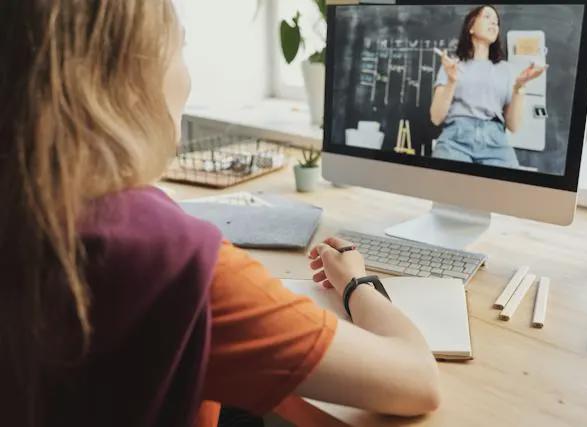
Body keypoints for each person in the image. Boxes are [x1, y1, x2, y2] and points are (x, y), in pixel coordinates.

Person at [0, 1, 440, 426]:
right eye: (180, 50)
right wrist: (356, 281)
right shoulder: (172, 260)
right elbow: (416, 380)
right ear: (129, 76)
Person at [430, 4, 547, 167]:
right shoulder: (452, 65)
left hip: (496, 143)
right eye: (487, 17)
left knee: (510, 189)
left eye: (496, 21)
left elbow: (513, 126)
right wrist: (451, 80)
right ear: (471, 26)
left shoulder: (506, 69)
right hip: (455, 139)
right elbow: (436, 117)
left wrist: (520, 86)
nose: (493, 23)